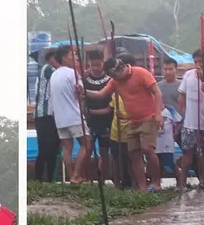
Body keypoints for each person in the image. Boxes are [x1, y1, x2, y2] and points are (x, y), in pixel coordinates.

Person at [81, 58, 164, 191]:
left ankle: (156, 183)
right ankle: (142, 186)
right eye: (112, 76)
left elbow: (157, 93)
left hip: (148, 117)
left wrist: (158, 114)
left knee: (147, 149)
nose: (115, 78)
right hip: (132, 121)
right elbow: (101, 94)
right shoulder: (115, 81)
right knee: (134, 154)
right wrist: (84, 92)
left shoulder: (141, 73)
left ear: (123, 67)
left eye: (116, 75)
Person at [49, 46, 90, 183]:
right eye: (73, 55)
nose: (77, 58)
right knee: (87, 144)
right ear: (65, 58)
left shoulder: (54, 74)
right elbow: (80, 92)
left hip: (60, 119)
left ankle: (72, 174)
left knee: (67, 148)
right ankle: (76, 174)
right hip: (74, 116)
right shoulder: (72, 73)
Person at [178, 49, 204, 189]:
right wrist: (180, 117)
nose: (198, 64)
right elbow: (181, 97)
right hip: (190, 122)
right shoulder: (188, 75)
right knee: (187, 153)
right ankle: (182, 182)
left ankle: (203, 178)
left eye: (201, 61)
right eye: (196, 61)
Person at [83, 49, 114, 183]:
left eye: (98, 65)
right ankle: (87, 178)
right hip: (89, 122)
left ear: (103, 63)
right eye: (92, 65)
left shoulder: (110, 80)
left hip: (106, 121)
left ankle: (102, 179)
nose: (95, 68)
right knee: (87, 151)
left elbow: (110, 104)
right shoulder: (84, 80)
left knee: (104, 153)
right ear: (88, 64)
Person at [33, 48, 60, 182]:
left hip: (45, 115)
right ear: (52, 59)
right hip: (46, 115)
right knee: (48, 149)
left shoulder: (44, 70)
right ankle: (43, 178)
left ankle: (46, 178)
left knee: (49, 149)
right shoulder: (49, 69)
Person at [157, 104, 184, 190]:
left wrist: (175, 132)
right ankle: (158, 184)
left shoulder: (170, 110)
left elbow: (179, 121)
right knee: (158, 163)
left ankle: (180, 183)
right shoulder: (151, 109)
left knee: (171, 163)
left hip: (167, 141)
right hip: (156, 141)